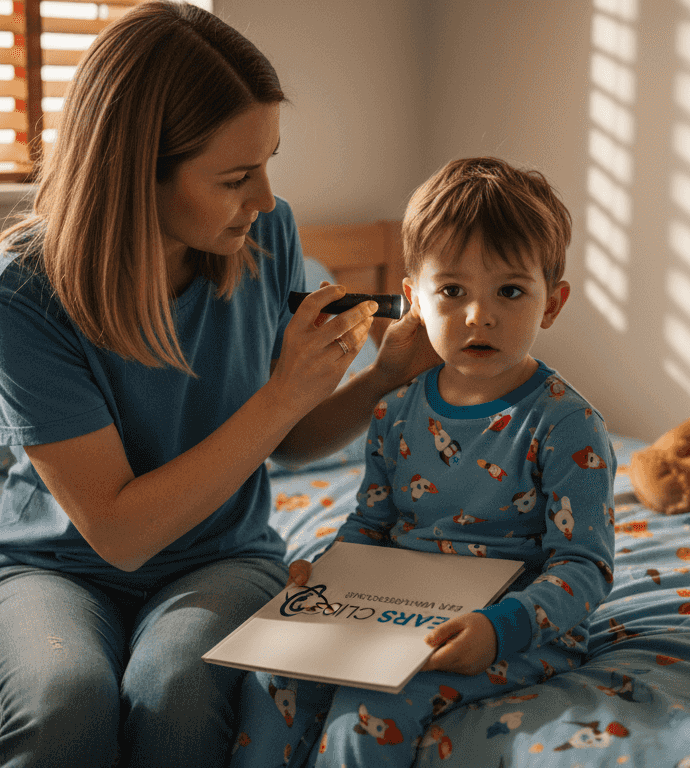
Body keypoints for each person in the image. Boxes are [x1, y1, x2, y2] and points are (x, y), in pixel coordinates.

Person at [0, 3, 438, 766]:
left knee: (176, 690)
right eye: (237, 177)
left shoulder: (264, 236)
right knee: (65, 704)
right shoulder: (18, 293)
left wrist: (383, 375)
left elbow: (283, 446)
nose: (267, 200)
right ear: (132, 172)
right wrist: (282, 392)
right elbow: (119, 534)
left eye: (269, 163)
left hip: (224, 556)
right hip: (54, 570)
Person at [231, 157, 617, 768]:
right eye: (452, 291)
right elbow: (370, 527)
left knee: (367, 717)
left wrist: (500, 630)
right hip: (393, 614)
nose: (478, 315)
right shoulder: (394, 411)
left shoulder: (566, 424)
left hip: (511, 631)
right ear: (413, 300)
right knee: (268, 683)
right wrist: (326, 578)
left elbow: (584, 566)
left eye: (510, 291)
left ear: (552, 302)